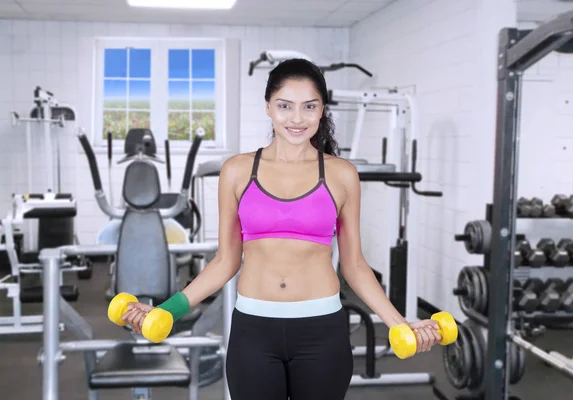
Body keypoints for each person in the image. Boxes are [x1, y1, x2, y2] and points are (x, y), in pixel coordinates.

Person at [121, 58, 442, 399]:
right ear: (268, 108)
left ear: (322, 110)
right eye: (285, 106)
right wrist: (167, 312)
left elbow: (354, 265)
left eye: (309, 107)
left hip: (322, 329)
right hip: (254, 329)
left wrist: (399, 322)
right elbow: (225, 261)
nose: (297, 118)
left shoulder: (341, 174)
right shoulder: (237, 170)